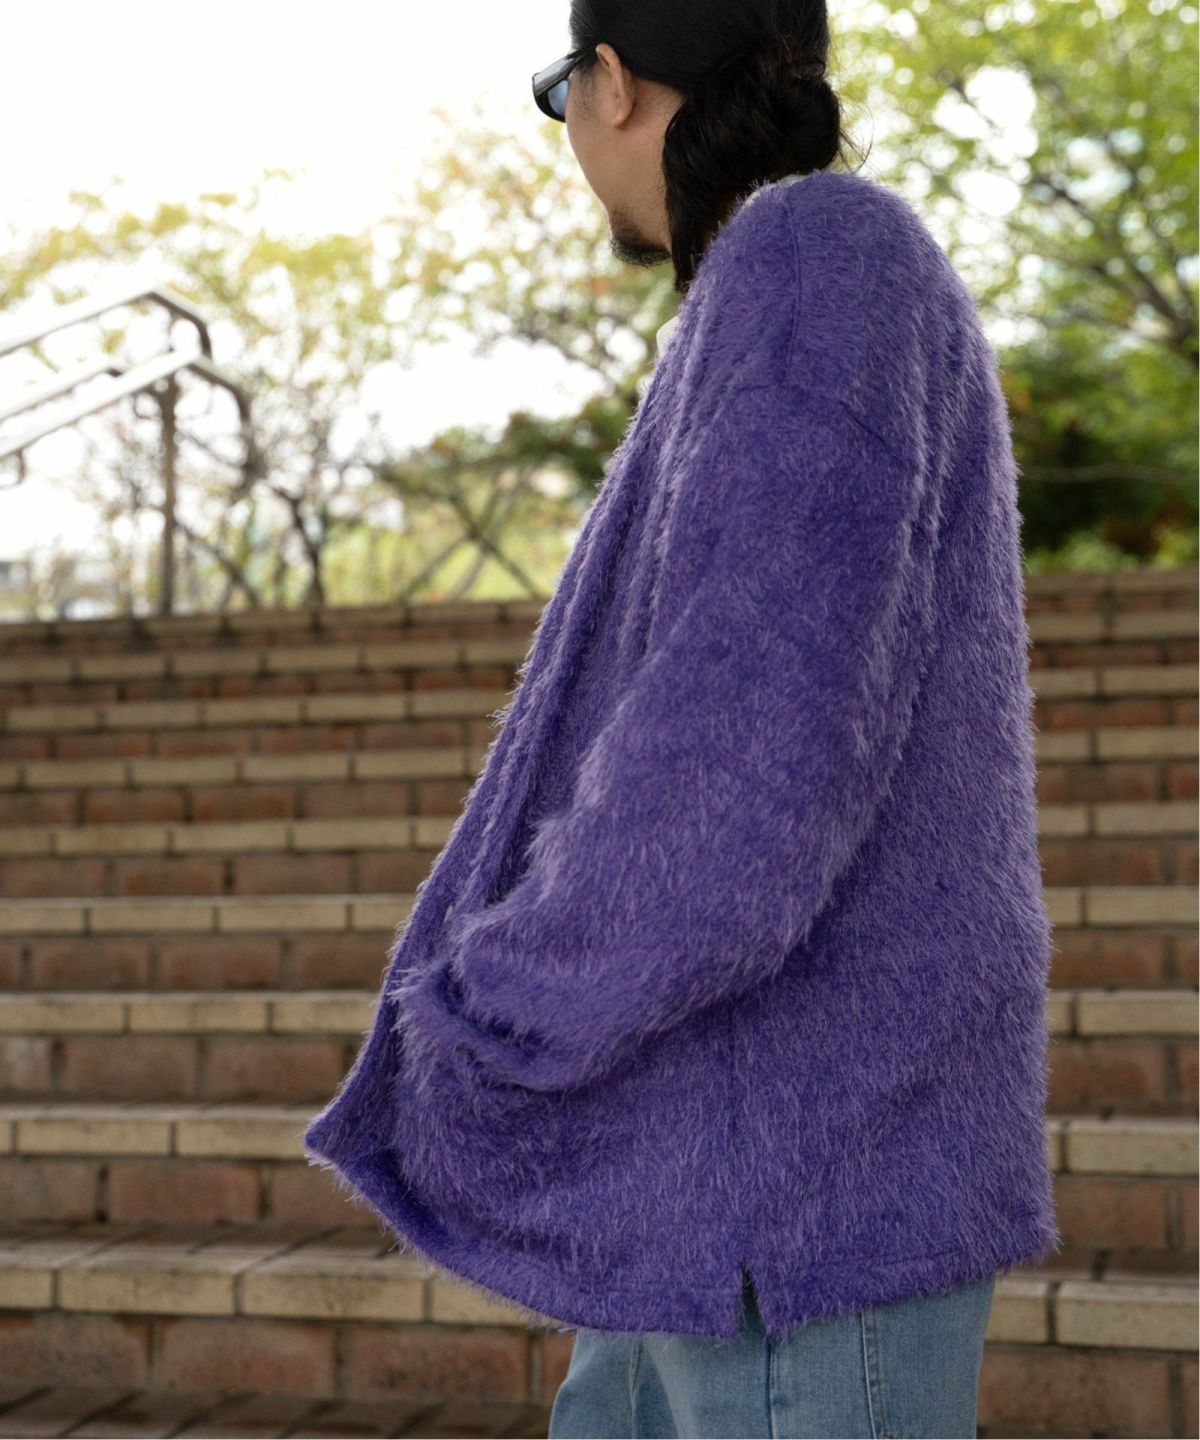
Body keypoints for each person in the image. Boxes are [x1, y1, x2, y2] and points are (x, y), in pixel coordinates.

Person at [303, 3, 1061, 1437]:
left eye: (559, 90)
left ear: (611, 85)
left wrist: (496, 997)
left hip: (790, 1187)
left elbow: (744, 769)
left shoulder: (813, 261)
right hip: (712, 1184)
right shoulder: (798, 274)